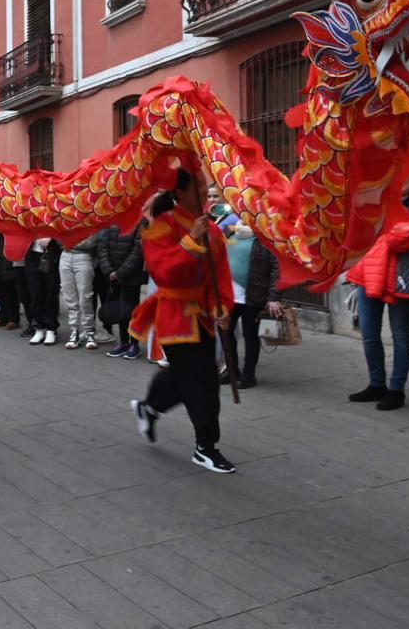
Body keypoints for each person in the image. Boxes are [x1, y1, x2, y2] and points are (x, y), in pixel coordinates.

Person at [128, 167, 236, 474]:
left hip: (203, 316)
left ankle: (149, 407)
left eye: (205, 186)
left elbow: (221, 275)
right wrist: (191, 240)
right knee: (202, 382)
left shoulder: (213, 229)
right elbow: (162, 272)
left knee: (186, 377)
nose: (204, 191)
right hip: (175, 315)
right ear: (180, 193)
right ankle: (206, 447)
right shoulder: (161, 227)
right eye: (198, 186)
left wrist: (222, 305)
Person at [346, 173, 409, 410]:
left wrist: (393, 218)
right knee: (369, 333)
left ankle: (397, 390)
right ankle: (376, 384)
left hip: (403, 276)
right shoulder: (380, 202)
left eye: (405, 179)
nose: (399, 184)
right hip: (370, 273)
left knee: (400, 333)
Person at [220, 223, 281, 389]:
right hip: (228, 295)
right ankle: (232, 371)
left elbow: (278, 268)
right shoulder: (228, 234)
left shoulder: (265, 240)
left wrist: (273, 297)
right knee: (224, 331)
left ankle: (248, 375)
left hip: (253, 296)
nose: (243, 221)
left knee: (250, 335)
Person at [96, 222, 147, 359]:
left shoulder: (141, 222)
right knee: (120, 310)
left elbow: (138, 250)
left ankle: (134, 344)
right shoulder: (115, 220)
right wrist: (109, 271)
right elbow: (102, 246)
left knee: (133, 311)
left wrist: (120, 273)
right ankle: (123, 342)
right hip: (113, 276)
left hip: (131, 277)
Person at [59, 234, 99, 350]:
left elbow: (91, 241)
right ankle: (74, 331)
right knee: (69, 298)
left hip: (83, 257)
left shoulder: (90, 218)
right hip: (65, 256)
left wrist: (69, 242)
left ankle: (89, 332)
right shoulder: (64, 217)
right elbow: (57, 237)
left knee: (85, 298)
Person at [25, 237, 61, 346]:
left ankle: (51, 328)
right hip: (32, 255)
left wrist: (52, 237)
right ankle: (38, 327)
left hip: (50, 255)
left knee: (50, 293)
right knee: (35, 294)